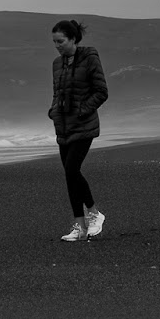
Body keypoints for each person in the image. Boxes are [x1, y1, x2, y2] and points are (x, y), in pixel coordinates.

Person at [48, 19, 108, 242]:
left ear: (73, 39)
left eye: (61, 41)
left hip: (84, 124)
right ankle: (80, 228)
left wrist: (82, 110)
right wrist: (53, 110)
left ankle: (94, 213)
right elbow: (57, 93)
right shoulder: (56, 64)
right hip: (62, 125)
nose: (57, 46)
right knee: (69, 175)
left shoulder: (90, 57)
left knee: (72, 170)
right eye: (54, 42)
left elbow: (101, 91)